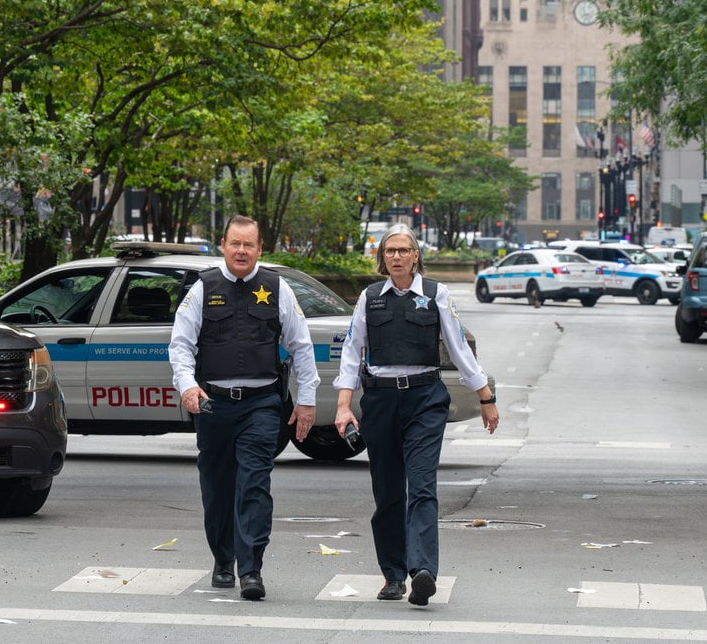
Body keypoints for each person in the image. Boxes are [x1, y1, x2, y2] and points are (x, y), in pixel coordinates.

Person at [333, 223, 499, 606]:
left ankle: (422, 571)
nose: (396, 257)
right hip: (380, 403)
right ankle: (393, 575)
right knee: (389, 493)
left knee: (422, 488)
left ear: (416, 256)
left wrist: (485, 396)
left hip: (424, 399)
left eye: (403, 250)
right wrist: (343, 405)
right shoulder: (369, 297)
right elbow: (351, 353)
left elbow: (458, 349)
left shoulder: (436, 294)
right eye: (390, 251)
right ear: (382, 258)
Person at [169, 215, 319, 601]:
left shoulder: (276, 287)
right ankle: (224, 559)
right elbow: (181, 345)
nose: (241, 251)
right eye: (235, 243)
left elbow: (301, 345)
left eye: (248, 245)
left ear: (259, 249)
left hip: (261, 404)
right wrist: (187, 386)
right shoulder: (203, 288)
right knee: (217, 487)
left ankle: (251, 570)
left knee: (254, 484)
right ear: (223, 245)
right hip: (213, 405)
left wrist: (306, 401)